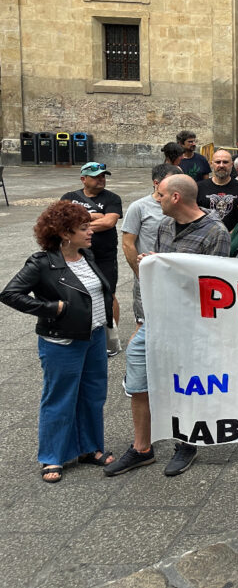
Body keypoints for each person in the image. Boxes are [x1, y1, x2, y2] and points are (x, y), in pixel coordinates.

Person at [105, 174, 230, 478]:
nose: (156, 199)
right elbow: (163, 266)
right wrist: (153, 262)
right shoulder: (164, 225)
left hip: (190, 324)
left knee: (184, 384)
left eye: (160, 194)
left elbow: (215, 286)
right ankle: (142, 448)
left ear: (175, 197)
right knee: (138, 376)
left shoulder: (216, 231)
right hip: (157, 317)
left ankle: (186, 442)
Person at [2, 201, 117, 483]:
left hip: (94, 336)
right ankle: (52, 456)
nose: (91, 231)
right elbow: (10, 294)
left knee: (93, 394)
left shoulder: (86, 255)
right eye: (83, 227)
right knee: (60, 397)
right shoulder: (42, 262)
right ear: (65, 233)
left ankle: (89, 448)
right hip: (62, 341)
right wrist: (52, 308)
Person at [121, 163, 182, 404]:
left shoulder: (178, 205)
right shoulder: (139, 207)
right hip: (147, 277)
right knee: (143, 326)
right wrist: (140, 273)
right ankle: (134, 375)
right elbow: (128, 243)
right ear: (157, 184)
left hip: (173, 281)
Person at [62, 163, 123, 357]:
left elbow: (109, 222)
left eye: (103, 176)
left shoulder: (112, 198)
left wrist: (79, 224)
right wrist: (93, 216)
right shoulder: (69, 198)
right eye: (96, 176)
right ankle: (80, 332)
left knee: (109, 293)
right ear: (83, 179)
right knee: (75, 293)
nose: (101, 179)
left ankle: (110, 338)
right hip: (76, 255)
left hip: (104, 255)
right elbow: (62, 223)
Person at [196, 148, 238, 231]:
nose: (221, 165)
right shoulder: (199, 187)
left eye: (225, 162)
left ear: (232, 164)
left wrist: (233, 233)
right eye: (218, 162)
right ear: (211, 164)